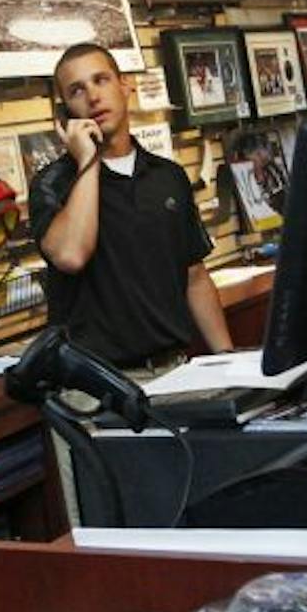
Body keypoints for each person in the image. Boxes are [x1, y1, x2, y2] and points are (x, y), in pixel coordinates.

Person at [28, 43, 232, 371]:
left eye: (101, 80)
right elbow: (70, 255)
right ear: (63, 112)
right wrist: (88, 159)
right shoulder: (51, 183)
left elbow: (194, 277)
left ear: (125, 88)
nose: (93, 97)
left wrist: (227, 361)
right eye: (77, 90)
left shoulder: (169, 176)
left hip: (173, 369)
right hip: (96, 385)